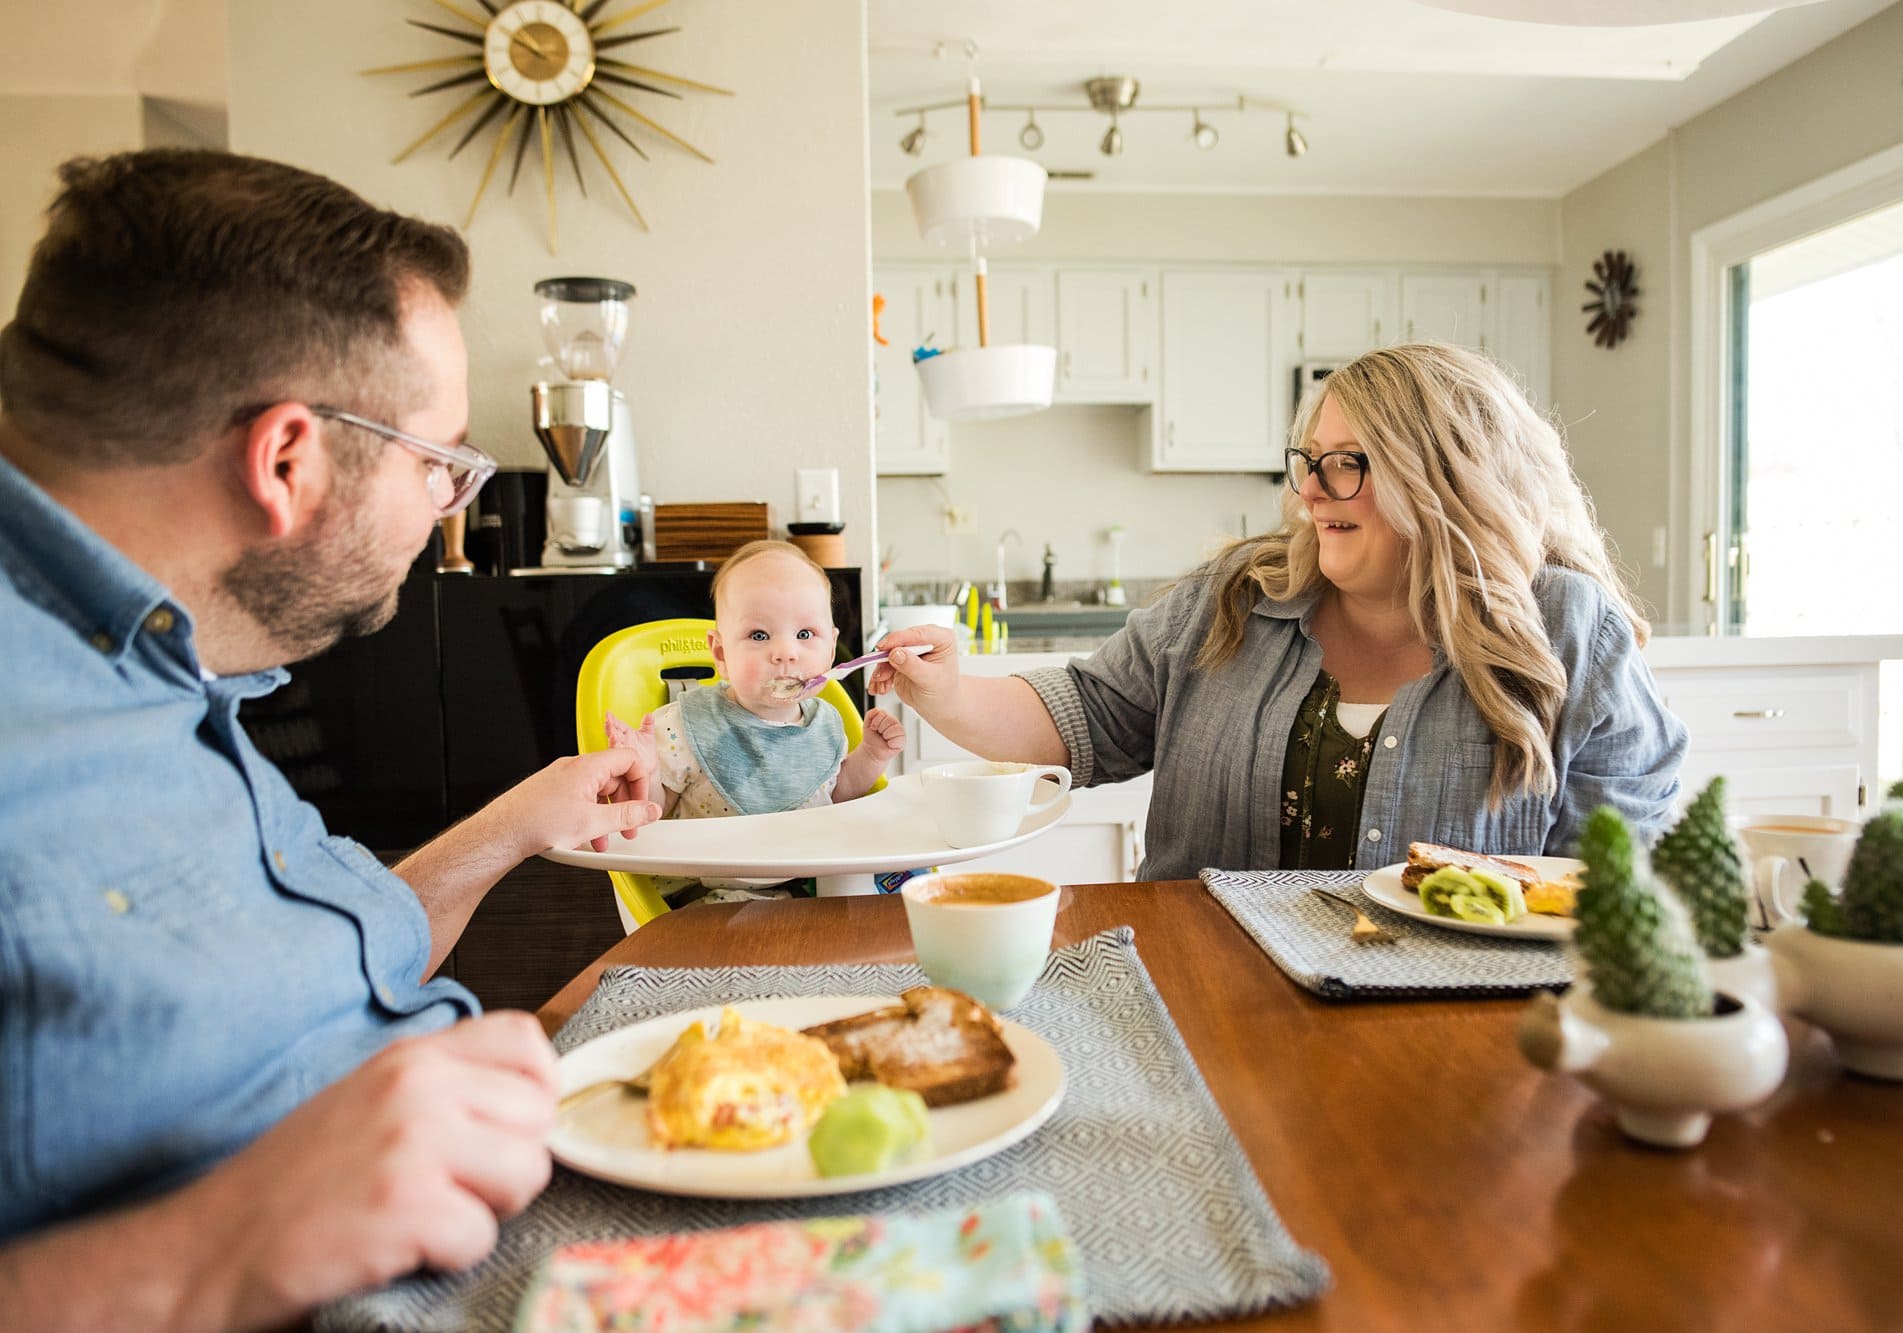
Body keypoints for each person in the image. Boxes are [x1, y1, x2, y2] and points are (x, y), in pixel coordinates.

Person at [0, 150, 661, 1329]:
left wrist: (516, 821)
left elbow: (317, 964)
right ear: (288, 459)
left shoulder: (176, 662)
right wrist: (220, 1246)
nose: (446, 508)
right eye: (441, 467)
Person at [868, 342, 1688, 879]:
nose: (1308, 492)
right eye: (1308, 461)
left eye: (1345, 466)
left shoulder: (1570, 633)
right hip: (1205, 1004)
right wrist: (949, 693)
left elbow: (1610, 885)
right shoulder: (1233, 598)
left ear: (1444, 478)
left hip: (1458, 1035)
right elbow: (1086, 713)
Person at [605, 540, 905, 902]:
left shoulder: (827, 722)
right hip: (706, 892)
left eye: (805, 635)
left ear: (831, 647)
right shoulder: (689, 724)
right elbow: (655, 810)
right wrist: (645, 770)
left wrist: (872, 754)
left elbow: (835, 795)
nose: (785, 653)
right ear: (720, 652)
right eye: (759, 636)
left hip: (806, 885)